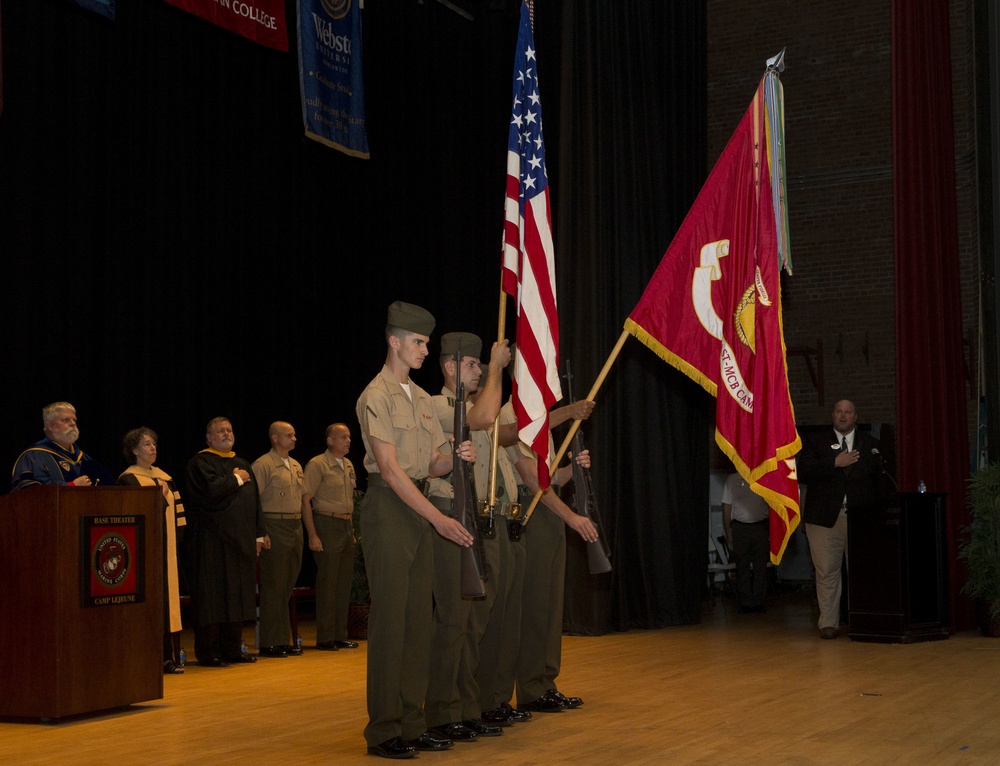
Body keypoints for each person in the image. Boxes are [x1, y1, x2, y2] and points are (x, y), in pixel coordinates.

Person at [355, 301, 475, 760]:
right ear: (395, 341)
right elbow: (389, 469)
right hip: (390, 509)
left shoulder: (422, 399)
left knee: (418, 623)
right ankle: (383, 730)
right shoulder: (376, 396)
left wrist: (455, 459)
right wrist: (438, 517)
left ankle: (412, 721)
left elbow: (429, 465)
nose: (426, 350)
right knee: (391, 621)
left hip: (420, 503)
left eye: (427, 342)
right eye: (420, 342)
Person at [425, 332, 509, 743]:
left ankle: (466, 706)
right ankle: (441, 711)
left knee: (474, 622)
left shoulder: (472, 405)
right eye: (472, 365)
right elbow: (484, 417)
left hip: (474, 517)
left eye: (480, 365)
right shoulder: (437, 405)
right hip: (448, 514)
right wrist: (497, 367)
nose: (478, 371)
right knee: (453, 620)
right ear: (450, 367)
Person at [500, 397, 598, 714]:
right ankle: (530, 687)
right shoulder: (512, 415)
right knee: (535, 605)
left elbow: (550, 478)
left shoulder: (541, 417)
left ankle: (545, 683)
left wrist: (573, 467)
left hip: (548, 509)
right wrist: (571, 517)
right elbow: (530, 479)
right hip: (530, 509)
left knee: (551, 605)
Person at [185, 417, 268, 666]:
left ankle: (233, 650)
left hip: (240, 542)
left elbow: (254, 502)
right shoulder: (200, 462)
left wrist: (259, 533)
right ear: (208, 437)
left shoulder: (241, 463)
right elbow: (208, 495)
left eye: (229, 430)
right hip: (211, 542)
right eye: (220, 431)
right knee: (213, 597)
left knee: (236, 596)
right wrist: (235, 480)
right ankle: (209, 652)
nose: (226, 434)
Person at [797, 399, 882, 640]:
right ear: (832, 415)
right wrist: (834, 462)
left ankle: (861, 620)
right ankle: (828, 623)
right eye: (838, 412)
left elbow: (880, 483)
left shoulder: (871, 445)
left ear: (856, 416)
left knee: (860, 572)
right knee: (826, 572)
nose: (843, 416)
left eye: (848, 412)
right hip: (823, 519)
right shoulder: (816, 443)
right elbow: (803, 472)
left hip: (860, 518)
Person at [118, 427, 188, 674]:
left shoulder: (165, 477)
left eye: (154, 444)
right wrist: (157, 498)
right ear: (134, 450)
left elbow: (179, 518)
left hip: (167, 553)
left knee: (167, 605)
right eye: (146, 444)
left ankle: (167, 659)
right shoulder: (128, 479)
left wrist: (175, 547)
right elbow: (133, 517)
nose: (152, 448)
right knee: (150, 605)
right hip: (143, 554)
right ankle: (147, 660)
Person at [301, 422, 359, 651]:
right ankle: (325, 637)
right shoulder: (318, 464)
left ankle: (339, 634)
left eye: (349, 437)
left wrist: (352, 531)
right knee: (328, 583)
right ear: (330, 441)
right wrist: (313, 534)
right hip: (326, 523)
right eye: (343, 437)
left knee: (343, 584)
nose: (348, 440)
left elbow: (350, 501)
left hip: (345, 526)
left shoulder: (348, 464)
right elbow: (306, 500)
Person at [251, 421, 305, 658]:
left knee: (287, 584)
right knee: (273, 585)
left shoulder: (295, 465)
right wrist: (261, 533)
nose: (294, 439)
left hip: (295, 525)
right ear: (274, 438)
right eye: (288, 435)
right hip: (274, 524)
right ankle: (268, 642)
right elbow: (253, 502)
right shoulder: (263, 465)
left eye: (294, 435)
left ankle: (282, 639)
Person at [11, 401, 111, 490]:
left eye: (74, 420)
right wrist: (72, 485)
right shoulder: (34, 456)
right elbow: (30, 491)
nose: (72, 423)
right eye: (65, 420)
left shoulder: (84, 458)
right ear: (50, 426)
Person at [721, 471, 770, 613]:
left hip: (760, 526)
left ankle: (759, 602)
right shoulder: (732, 479)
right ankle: (745, 602)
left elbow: (772, 504)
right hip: (740, 527)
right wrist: (727, 531)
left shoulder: (763, 476)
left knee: (760, 566)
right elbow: (726, 507)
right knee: (742, 566)